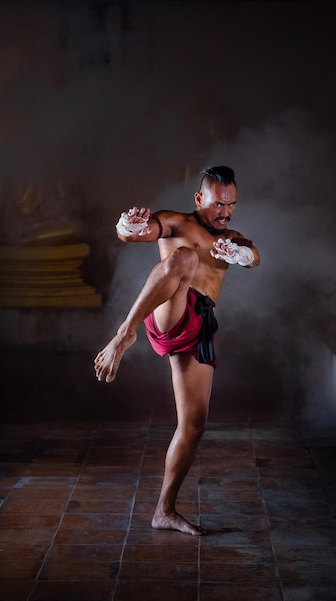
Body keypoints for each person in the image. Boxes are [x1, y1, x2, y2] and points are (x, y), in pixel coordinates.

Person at [94, 166, 260, 535]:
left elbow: (254, 256)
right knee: (185, 258)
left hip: (199, 328)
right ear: (200, 199)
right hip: (168, 315)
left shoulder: (229, 236)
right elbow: (136, 232)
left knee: (194, 425)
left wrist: (240, 254)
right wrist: (128, 225)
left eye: (231, 204)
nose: (225, 212)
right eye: (218, 204)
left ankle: (164, 510)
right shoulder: (176, 221)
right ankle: (124, 334)